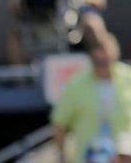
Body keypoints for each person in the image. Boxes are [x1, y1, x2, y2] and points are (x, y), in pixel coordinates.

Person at [52, 33, 131, 163]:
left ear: (115, 55)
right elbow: (60, 124)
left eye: (105, 60)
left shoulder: (129, 78)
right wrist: (62, 157)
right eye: (97, 61)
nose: (102, 65)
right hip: (88, 157)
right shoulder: (76, 85)